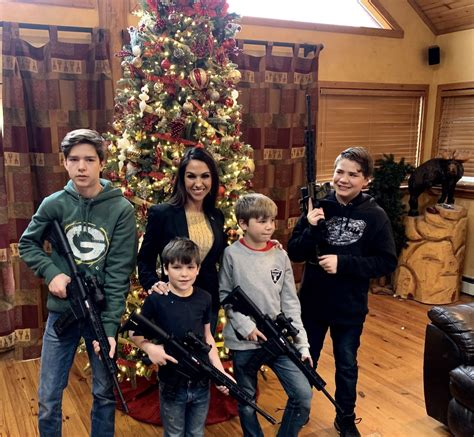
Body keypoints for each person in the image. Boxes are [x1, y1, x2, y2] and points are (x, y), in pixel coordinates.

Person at [18, 129, 137, 437]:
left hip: (99, 314)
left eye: (89, 159)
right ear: (65, 163)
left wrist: (109, 329)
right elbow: (27, 244)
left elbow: (118, 275)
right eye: (74, 160)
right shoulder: (54, 204)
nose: (81, 167)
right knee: (48, 398)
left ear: (102, 163)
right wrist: (52, 272)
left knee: (104, 394)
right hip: (63, 311)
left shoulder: (121, 210)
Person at [287, 146, 398, 437]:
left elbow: (387, 261)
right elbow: (295, 252)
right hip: (313, 302)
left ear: (366, 180)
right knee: (306, 358)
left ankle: (345, 417)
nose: (344, 179)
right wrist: (311, 227)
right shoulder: (317, 205)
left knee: (346, 364)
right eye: (339, 172)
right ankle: (300, 408)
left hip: (349, 306)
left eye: (353, 174)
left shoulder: (375, 216)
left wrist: (344, 263)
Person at [219, 193, 313, 437]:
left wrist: (302, 344)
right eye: (262, 221)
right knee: (247, 401)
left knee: (303, 395)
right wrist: (246, 327)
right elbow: (226, 295)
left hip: (278, 339)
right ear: (243, 223)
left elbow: (290, 302)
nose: (269, 226)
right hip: (244, 342)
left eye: (271, 220)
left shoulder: (280, 255)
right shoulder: (232, 254)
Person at [129, 237, 231, 437]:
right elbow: (134, 332)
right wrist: (149, 348)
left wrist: (220, 373)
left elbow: (208, 338)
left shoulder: (205, 298)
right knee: (174, 434)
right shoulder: (156, 300)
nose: (184, 274)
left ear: (198, 269)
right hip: (172, 383)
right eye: (176, 267)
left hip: (201, 383)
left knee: (196, 433)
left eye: (190, 267)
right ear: (165, 269)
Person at [137, 147, 227, 333]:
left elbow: (224, 255)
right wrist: (153, 284)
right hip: (172, 304)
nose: (198, 183)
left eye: (205, 176)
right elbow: (145, 259)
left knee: (205, 349)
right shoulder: (162, 214)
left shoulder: (216, 215)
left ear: (213, 179)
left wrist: (261, 244)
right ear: (182, 179)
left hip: (207, 305)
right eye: (191, 176)